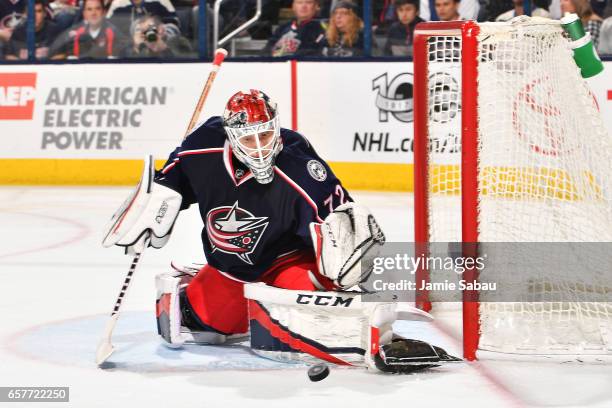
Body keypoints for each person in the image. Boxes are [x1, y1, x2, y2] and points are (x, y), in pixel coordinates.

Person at [103, 89, 460, 371]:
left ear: (276, 127)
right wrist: (158, 203)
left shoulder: (300, 166)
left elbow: (342, 224)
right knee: (204, 328)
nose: (260, 146)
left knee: (326, 326)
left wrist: (355, 265)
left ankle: (348, 318)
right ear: (230, 136)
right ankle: (208, 286)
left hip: (290, 261)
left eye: (266, 135)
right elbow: (174, 177)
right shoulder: (203, 145)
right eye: (248, 139)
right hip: (232, 268)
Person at [51, 0, 124, 59]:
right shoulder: (75, 35)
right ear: (84, 14)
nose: (93, 13)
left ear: (104, 13)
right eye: (89, 9)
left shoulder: (115, 34)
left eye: (97, 9)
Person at [121, 14, 191, 58]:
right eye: (141, 31)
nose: (142, 35)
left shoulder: (179, 42)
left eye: (147, 29)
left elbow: (181, 62)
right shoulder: (135, 47)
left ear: (160, 29)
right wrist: (137, 49)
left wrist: (161, 47)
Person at [106, 0, 181, 38]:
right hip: (128, 51)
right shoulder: (118, 3)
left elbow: (175, 25)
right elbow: (108, 29)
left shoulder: (161, 1)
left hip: (160, 49)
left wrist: (162, 34)